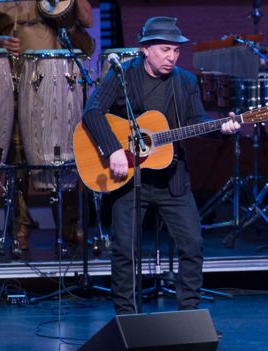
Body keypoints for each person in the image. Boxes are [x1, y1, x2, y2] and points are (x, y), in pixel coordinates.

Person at [82, 16, 241, 314]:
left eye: (176, 51)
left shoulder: (185, 81)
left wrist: (222, 129)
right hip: (129, 177)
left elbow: (196, 123)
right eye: (165, 50)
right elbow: (92, 112)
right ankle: (128, 319)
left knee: (193, 245)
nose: (172, 57)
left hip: (172, 177)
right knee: (125, 251)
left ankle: (190, 316)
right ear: (146, 49)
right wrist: (114, 149)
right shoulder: (122, 76)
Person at [0, 1, 93, 252]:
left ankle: (69, 225)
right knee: (17, 155)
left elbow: (87, 21)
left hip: (58, 83)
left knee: (63, 153)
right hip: (14, 81)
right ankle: (21, 227)